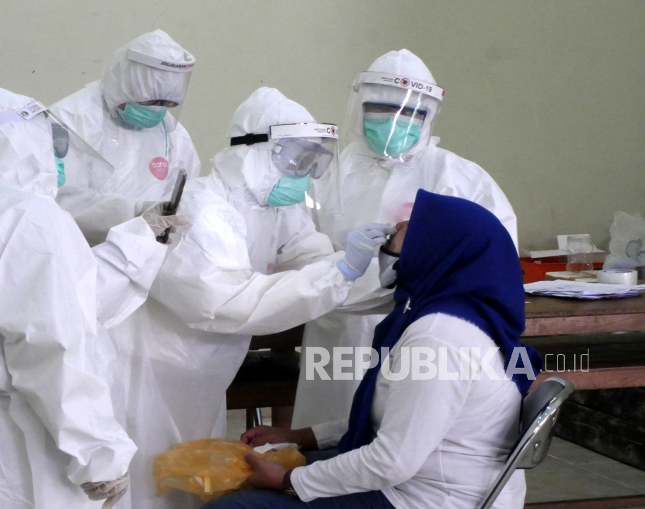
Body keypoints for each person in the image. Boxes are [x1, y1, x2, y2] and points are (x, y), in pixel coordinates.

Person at [0, 83, 178, 509]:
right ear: (15, 138)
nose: (57, 151)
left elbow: (67, 299)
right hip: (16, 445)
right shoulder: (27, 214)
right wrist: (99, 454)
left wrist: (142, 240)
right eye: (49, 135)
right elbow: (54, 346)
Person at [109, 87, 392, 509]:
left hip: (203, 372)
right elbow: (225, 303)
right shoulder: (201, 209)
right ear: (252, 150)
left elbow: (314, 263)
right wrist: (340, 272)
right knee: (145, 484)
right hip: (148, 371)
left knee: (190, 478)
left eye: (314, 160)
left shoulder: (275, 207)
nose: (304, 172)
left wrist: (386, 275)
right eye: (296, 158)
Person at [202, 190, 542, 509]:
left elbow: (392, 460)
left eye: (403, 231)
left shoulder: (439, 337)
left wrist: (287, 480)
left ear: (434, 249)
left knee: (233, 505)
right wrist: (301, 436)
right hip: (424, 479)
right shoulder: (452, 313)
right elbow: (393, 419)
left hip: (429, 498)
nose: (387, 239)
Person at [292, 49, 519, 429]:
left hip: (419, 331)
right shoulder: (327, 174)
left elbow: (494, 258)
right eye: (380, 110)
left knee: (404, 433)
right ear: (360, 106)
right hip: (337, 329)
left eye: (411, 113)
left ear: (430, 114)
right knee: (326, 432)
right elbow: (296, 244)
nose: (395, 123)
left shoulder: (459, 178)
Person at [51, 29, 201, 245]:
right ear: (122, 87)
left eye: (168, 104)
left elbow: (185, 198)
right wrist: (134, 213)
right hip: (76, 252)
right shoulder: (71, 119)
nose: (158, 111)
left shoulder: (173, 133)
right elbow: (59, 200)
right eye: (149, 102)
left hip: (143, 255)